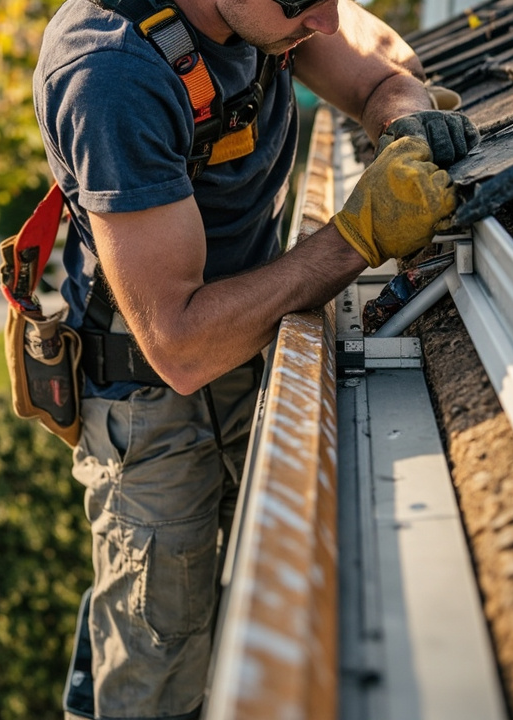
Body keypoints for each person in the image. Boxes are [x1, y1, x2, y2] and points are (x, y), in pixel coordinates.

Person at [34, 0, 478, 716]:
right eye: (304, 6)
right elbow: (179, 345)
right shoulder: (112, 72)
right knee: (159, 654)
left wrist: (405, 124)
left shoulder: (275, 14)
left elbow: (384, 71)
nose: (328, 22)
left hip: (253, 346)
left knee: (277, 591)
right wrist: (357, 237)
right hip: (151, 407)